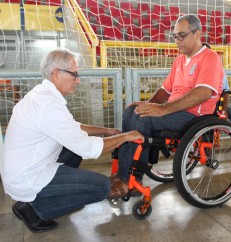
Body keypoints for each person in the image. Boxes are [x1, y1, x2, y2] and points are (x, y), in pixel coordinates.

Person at [0, 49, 144, 233]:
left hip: (23, 168)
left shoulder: (43, 94)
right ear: (55, 73)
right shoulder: (48, 104)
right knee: (101, 187)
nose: (78, 80)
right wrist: (125, 136)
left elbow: (72, 127)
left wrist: (106, 130)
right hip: (28, 176)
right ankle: (34, 209)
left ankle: (53, 197)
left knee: (73, 151)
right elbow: (88, 148)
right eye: (74, 75)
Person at [108, 14, 224, 199]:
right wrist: (148, 105)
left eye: (181, 35)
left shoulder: (210, 58)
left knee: (142, 121)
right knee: (131, 111)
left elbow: (203, 92)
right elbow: (165, 90)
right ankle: (125, 172)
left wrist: (162, 109)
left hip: (194, 117)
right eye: (175, 36)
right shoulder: (179, 60)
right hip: (174, 111)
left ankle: (129, 178)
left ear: (197, 34)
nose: (177, 41)